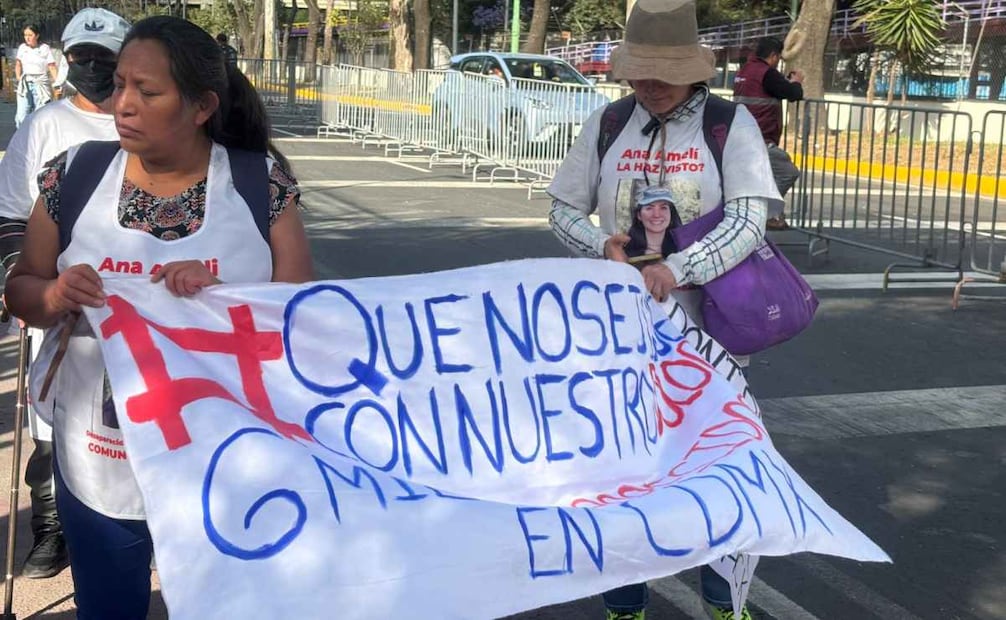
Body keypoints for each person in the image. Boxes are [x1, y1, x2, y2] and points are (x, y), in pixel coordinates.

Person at [4, 15, 314, 618]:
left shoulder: (258, 183)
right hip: (98, 452)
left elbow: (300, 312)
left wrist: (223, 297)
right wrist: (55, 295)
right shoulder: (73, 175)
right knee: (109, 605)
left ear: (201, 106)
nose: (122, 104)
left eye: (147, 92)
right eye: (120, 85)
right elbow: (21, 289)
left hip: (225, 458)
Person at [546, 0, 780, 618]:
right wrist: (600, 243)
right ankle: (625, 604)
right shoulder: (606, 122)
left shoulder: (730, 125)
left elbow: (750, 218)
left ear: (693, 67)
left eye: (662, 72)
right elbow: (562, 208)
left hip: (709, 343)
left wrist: (677, 269)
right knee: (620, 481)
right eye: (638, 71)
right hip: (617, 341)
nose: (647, 84)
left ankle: (726, 603)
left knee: (721, 473)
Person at [0, 7, 131, 581]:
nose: (94, 68)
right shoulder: (45, 126)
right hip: (60, 307)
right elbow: (9, 216)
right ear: (66, 58)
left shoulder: (147, 119)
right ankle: (51, 528)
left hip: (136, 309)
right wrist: (23, 280)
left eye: (107, 58)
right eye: (83, 56)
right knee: (54, 426)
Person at [733, 36, 804, 230]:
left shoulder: (745, 70)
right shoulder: (767, 73)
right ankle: (767, 214)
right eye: (778, 58)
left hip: (741, 135)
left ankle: (763, 214)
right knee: (787, 172)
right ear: (773, 56)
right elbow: (793, 94)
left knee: (760, 177)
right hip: (759, 138)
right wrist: (796, 82)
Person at [15, 24, 58, 127]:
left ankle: (38, 139)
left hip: (40, 84)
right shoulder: (22, 48)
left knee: (40, 115)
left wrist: (58, 83)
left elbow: (51, 66)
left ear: (37, 35)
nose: (27, 38)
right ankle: (22, 138)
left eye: (30, 35)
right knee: (21, 116)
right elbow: (18, 64)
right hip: (25, 84)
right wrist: (18, 77)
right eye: (25, 35)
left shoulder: (44, 48)